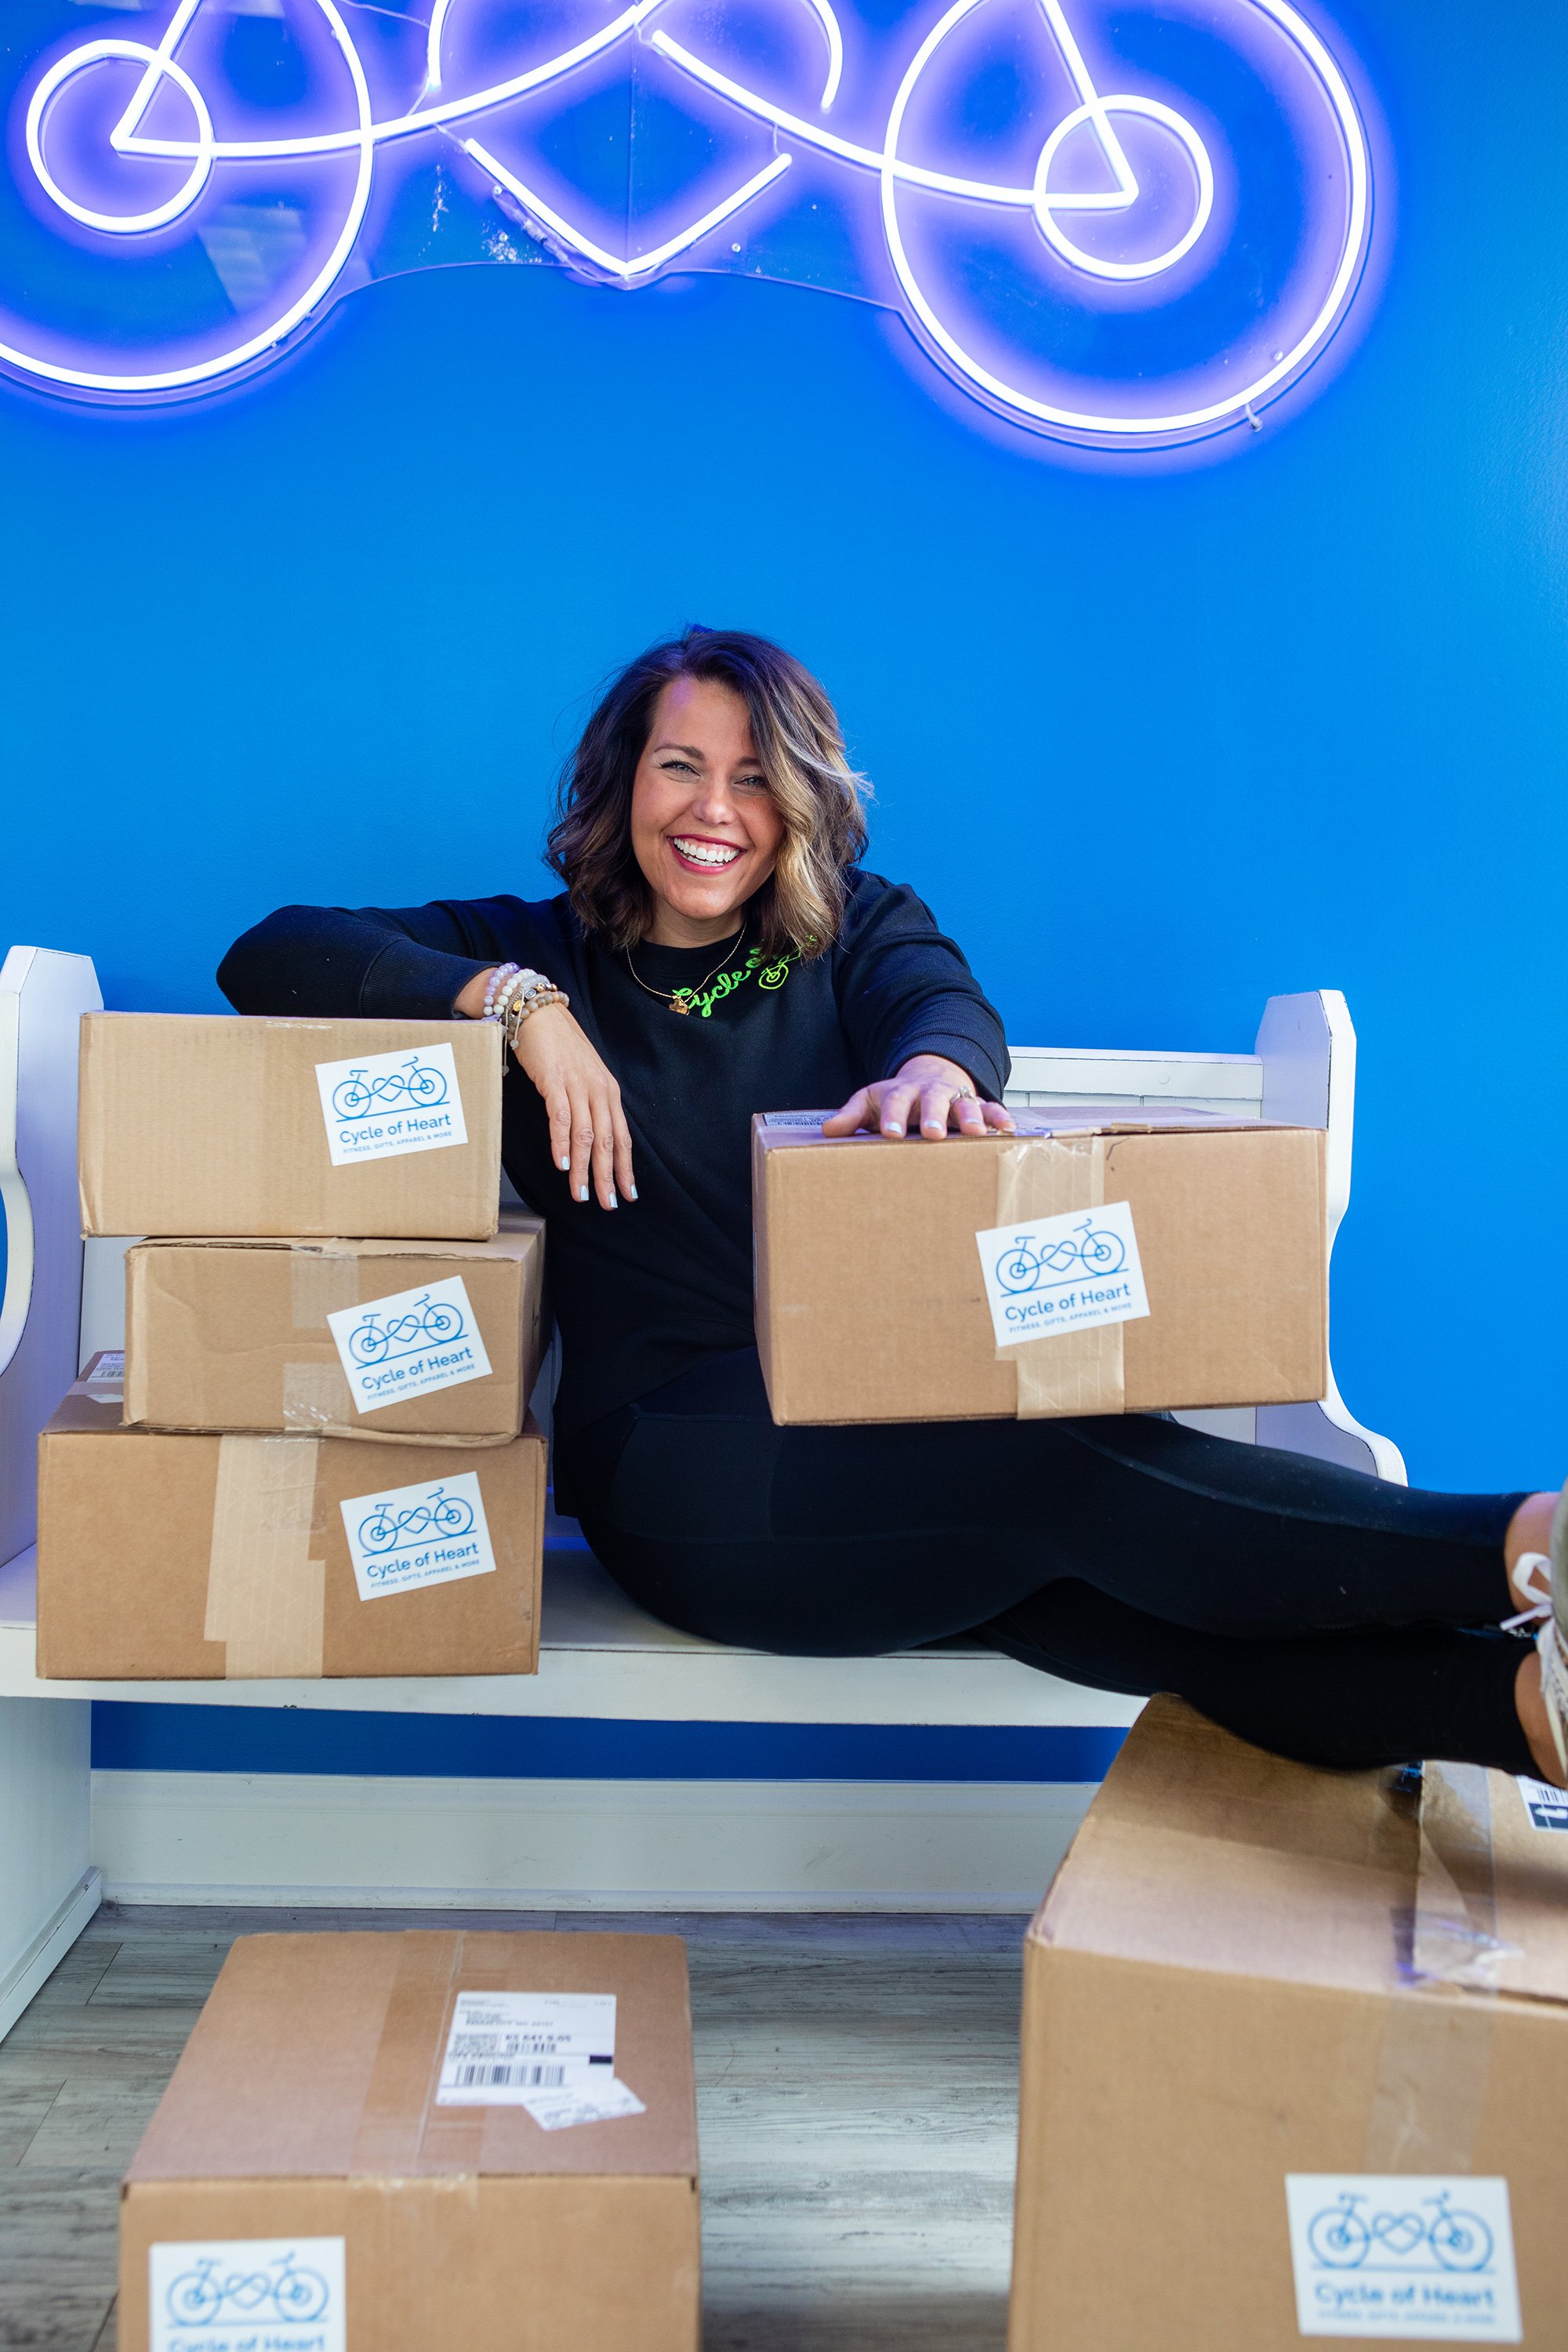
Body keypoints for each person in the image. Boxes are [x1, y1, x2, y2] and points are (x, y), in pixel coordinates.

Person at [220, 627, 1568, 1787]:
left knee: (1107, 1599)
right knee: (1065, 1477)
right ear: (622, 780)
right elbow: (267, 950)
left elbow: (945, 1005)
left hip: (883, 1442)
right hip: (675, 1471)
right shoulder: (534, 947)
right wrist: (520, 1009)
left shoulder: (852, 928)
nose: (714, 809)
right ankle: (1525, 1545)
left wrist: (934, 1074)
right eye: (680, 764)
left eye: (756, 778)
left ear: (800, 801)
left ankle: (1524, 1715)